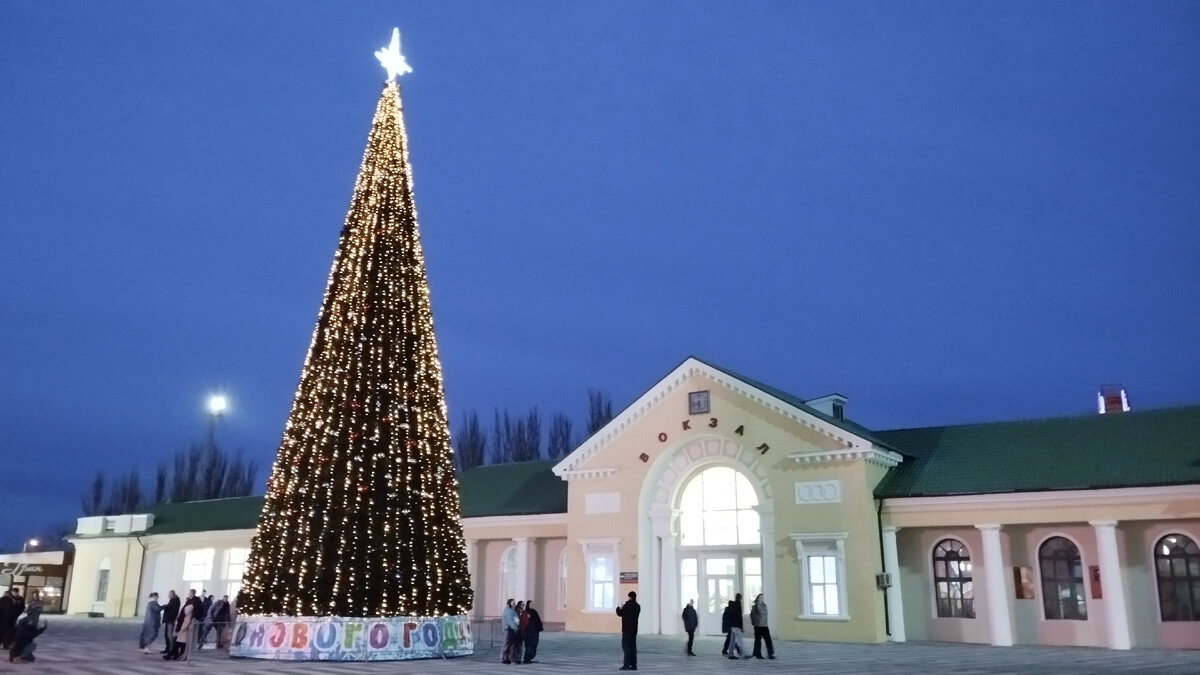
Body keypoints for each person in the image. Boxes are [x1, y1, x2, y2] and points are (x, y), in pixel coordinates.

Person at [7, 591, 44, 664]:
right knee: (26, 634)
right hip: (29, 618)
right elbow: (27, 610)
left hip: (34, 619)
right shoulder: (31, 602)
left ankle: (24, 653)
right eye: (33, 595)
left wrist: (32, 608)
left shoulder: (39, 602)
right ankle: (23, 653)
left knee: (30, 634)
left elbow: (38, 609)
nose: (35, 596)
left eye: (36, 595)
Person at [165, 593, 195, 661]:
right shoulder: (185, 613)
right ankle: (175, 655)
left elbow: (186, 622)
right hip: (181, 630)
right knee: (179, 644)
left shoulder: (187, 614)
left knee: (178, 644)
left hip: (182, 630)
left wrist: (180, 629)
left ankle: (175, 655)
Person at [616, 590, 640, 671]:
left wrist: (618, 607)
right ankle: (634, 665)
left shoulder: (627, 605)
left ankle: (626, 665)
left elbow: (620, 613)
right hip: (634, 630)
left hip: (626, 630)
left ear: (629, 597)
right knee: (633, 647)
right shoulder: (638, 606)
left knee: (626, 647)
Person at [750, 593, 775, 659]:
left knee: (768, 640)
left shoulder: (764, 606)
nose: (762, 599)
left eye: (763, 598)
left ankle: (770, 654)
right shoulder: (754, 607)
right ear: (757, 599)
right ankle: (757, 654)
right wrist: (754, 623)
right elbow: (752, 615)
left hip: (764, 625)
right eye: (760, 597)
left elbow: (764, 614)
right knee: (758, 640)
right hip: (758, 626)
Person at [522, 599, 543, 663]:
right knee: (529, 645)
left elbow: (537, 621)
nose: (532, 605)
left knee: (534, 645)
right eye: (531, 604)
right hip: (529, 632)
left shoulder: (534, 611)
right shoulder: (526, 612)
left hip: (535, 631)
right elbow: (525, 623)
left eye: (533, 604)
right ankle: (527, 658)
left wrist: (539, 628)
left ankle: (531, 657)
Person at [160, 590, 180, 654]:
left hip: (170, 620)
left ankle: (171, 649)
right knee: (167, 635)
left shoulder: (175, 601)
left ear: (172, 594)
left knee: (169, 635)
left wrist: (168, 615)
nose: (168, 596)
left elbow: (173, 611)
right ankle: (168, 648)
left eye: (169, 595)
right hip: (168, 620)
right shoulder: (172, 600)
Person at [501, 599, 518, 665]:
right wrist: (515, 628)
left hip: (510, 629)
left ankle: (505, 659)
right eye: (513, 603)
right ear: (509, 604)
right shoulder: (509, 611)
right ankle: (506, 659)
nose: (515, 604)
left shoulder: (512, 611)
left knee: (507, 644)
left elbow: (516, 620)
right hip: (509, 630)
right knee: (509, 645)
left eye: (514, 602)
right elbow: (511, 621)